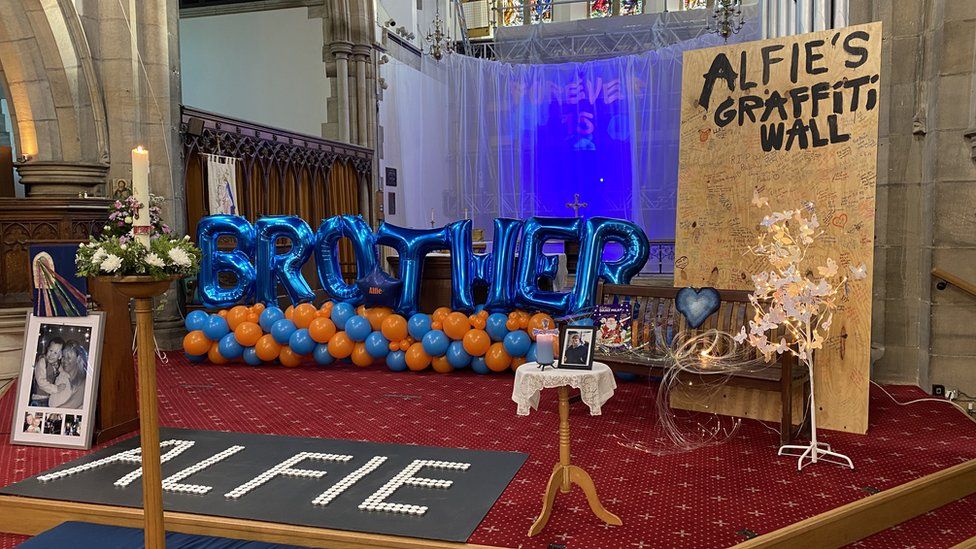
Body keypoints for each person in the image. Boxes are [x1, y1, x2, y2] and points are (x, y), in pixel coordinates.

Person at [49, 341, 88, 409]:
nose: (64, 360)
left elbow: (71, 404)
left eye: (69, 358)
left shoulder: (84, 383)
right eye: (63, 357)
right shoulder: (61, 378)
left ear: (78, 359)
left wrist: (52, 413)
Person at [29, 337, 64, 407]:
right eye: (51, 350)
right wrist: (56, 388)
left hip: (48, 399)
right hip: (38, 399)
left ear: (60, 356)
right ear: (47, 349)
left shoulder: (57, 365)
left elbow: (63, 375)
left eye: (55, 353)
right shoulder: (42, 361)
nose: (51, 355)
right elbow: (41, 382)